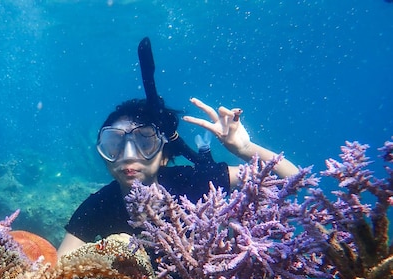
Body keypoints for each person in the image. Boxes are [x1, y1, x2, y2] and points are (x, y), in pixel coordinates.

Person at [57, 38, 299, 257]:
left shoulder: (193, 182)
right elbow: (59, 267)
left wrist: (245, 148)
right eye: (115, 145)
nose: (129, 157)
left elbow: (292, 179)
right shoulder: (98, 206)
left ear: (163, 152)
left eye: (144, 143)